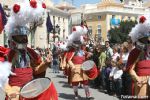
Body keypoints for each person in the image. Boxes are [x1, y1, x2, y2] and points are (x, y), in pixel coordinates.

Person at [2, 0, 58, 100]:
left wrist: (45, 64)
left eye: (24, 37)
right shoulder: (8, 54)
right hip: (15, 91)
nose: (23, 40)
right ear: (12, 38)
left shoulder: (30, 53)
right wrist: (9, 90)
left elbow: (36, 71)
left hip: (31, 89)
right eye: (19, 38)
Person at [66, 25, 93, 100]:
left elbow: (85, 56)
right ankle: (76, 94)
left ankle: (88, 95)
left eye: (79, 42)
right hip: (76, 68)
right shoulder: (71, 51)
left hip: (83, 68)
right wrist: (72, 66)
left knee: (86, 83)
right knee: (75, 83)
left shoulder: (82, 50)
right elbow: (68, 60)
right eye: (76, 42)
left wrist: (89, 54)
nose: (78, 44)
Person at [126, 15, 150, 98]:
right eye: (143, 39)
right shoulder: (134, 52)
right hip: (141, 82)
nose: (146, 41)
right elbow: (130, 69)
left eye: (147, 39)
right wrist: (137, 79)